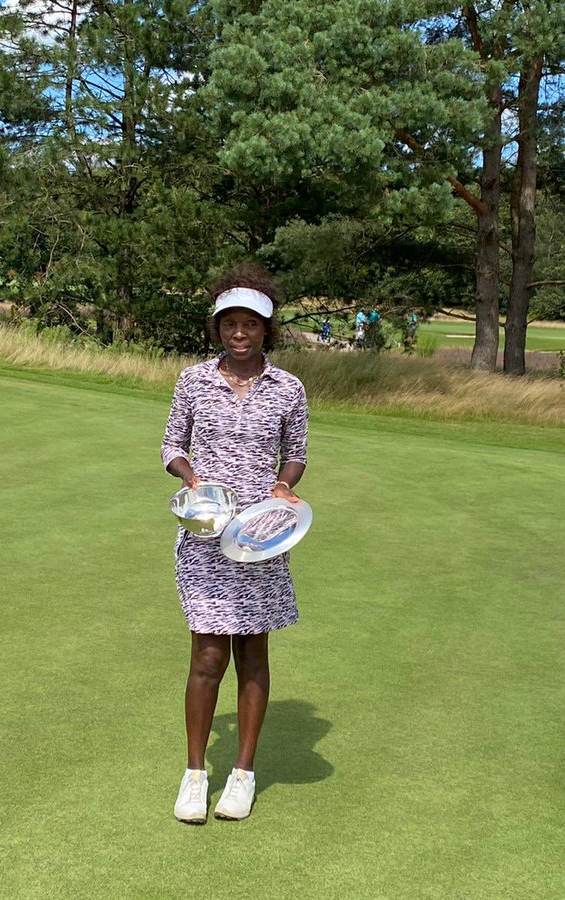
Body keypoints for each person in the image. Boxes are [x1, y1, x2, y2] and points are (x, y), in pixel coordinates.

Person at [161, 264, 309, 824]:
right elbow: (171, 444)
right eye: (230, 324)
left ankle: (242, 774)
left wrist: (283, 484)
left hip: (262, 534)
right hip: (205, 533)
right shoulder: (192, 380)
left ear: (267, 328)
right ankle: (195, 774)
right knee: (206, 656)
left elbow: (295, 452)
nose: (239, 333)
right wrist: (189, 476)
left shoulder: (288, 388)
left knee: (252, 653)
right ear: (218, 328)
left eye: (250, 324)